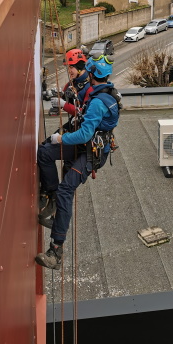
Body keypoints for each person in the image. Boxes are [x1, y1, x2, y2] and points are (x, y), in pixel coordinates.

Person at [35, 54, 120, 270]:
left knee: (66, 190)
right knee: (45, 152)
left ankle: (56, 251)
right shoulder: (104, 93)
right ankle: (51, 198)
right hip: (89, 145)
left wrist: (61, 138)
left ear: (91, 74)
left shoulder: (99, 101)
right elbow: (83, 117)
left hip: (91, 152)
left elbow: (84, 134)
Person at [37, 49, 91, 221]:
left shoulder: (89, 89)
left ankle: (52, 193)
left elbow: (84, 114)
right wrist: (50, 95)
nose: (70, 71)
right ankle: (50, 191)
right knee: (45, 145)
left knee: (46, 153)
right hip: (73, 128)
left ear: (81, 67)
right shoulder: (73, 83)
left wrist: (63, 105)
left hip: (81, 137)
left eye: (72, 68)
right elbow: (64, 93)